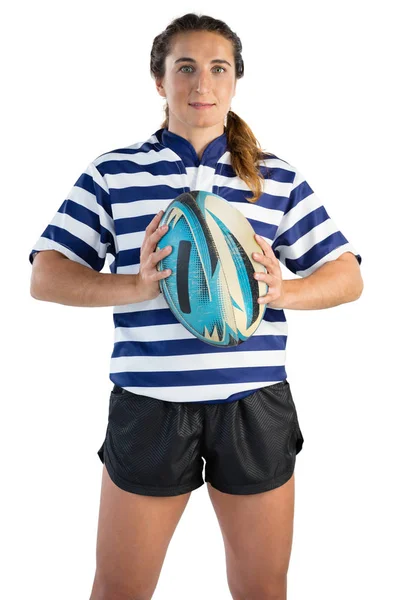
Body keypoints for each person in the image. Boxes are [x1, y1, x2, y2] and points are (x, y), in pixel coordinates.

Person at [29, 12, 363, 600]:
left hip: (253, 406)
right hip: (152, 405)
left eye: (218, 69)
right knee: (119, 589)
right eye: (185, 68)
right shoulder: (113, 173)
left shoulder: (273, 178)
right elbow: (47, 275)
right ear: (160, 81)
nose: (201, 84)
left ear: (235, 81)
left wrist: (284, 290)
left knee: (262, 589)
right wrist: (134, 286)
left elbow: (346, 276)